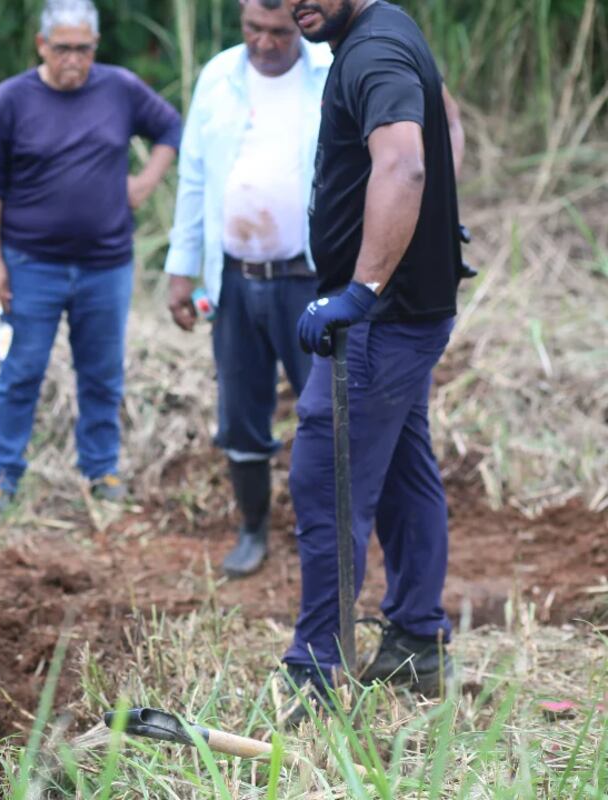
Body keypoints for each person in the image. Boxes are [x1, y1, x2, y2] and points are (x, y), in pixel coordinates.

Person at [280, 0, 467, 719]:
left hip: (381, 320)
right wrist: (434, 232)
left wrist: (364, 285)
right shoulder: (387, 28)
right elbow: (444, 119)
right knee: (401, 469)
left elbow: (405, 165)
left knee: (326, 476)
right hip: (409, 306)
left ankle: (318, 667)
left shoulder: (373, 52)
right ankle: (417, 640)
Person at [0, 0, 182, 512]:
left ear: (95, 48)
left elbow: (171, 129)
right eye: (62, 48)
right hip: (30, 264)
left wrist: (145, 182)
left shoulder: (120, 89)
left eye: (83, 49)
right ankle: (0, 478)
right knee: (21, 371)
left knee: (102, 373)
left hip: (106, 264)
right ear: (42, 46)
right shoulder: (10, 100)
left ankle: (101, 470)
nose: (73, 59)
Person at [165, 0, 332, 578]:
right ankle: (254, 528)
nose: (264, 43)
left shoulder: (331, 69)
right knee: (240, 410)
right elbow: (193, 176)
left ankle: (329, 536)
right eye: (253, 29)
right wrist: (180, 268)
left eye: (279, 32)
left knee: (325, 408)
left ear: (302, 23)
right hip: (234, 277)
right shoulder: (219, 75)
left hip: (308, 276)